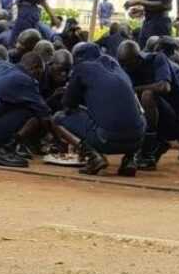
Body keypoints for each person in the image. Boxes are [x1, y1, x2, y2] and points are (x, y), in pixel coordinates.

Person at [53, 43, 146, 176]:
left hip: (106, 140)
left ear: (77, 59)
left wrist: (72, 91)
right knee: (138, 114)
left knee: (58, 119)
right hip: (137, 140)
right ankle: (130, 160)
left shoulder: (82, 68)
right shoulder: (117, 68)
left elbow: (68, 105)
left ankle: (93, 156)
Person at [118, 40, 179, 170]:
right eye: (122, 63)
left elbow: (164, 86)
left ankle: (148, 151)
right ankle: (146, 145)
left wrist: (132, 89)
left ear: (138, 58)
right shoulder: (124, 68)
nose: (125, 66)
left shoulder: (157, 59)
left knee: (148, 95)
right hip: (147, 117)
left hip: (174, 119)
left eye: (128, 63)